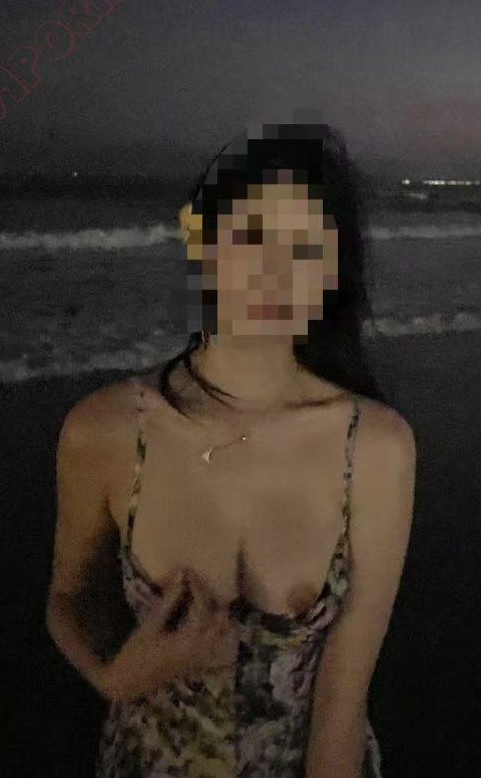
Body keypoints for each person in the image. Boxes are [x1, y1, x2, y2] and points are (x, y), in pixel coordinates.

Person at [46, 120, 416, 777]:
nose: (275, 272)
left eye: (303, 247)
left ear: (331, 270)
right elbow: (70, 597)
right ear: (203, 241)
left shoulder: (375, 448)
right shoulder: (106, 432)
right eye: (251, 237)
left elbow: (340, 705)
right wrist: (114, 675)